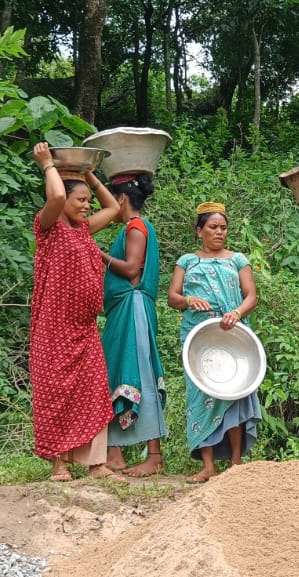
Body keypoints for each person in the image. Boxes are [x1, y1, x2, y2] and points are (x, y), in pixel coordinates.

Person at [28, 142, 127, 483]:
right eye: (80, 200)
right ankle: (59, 465)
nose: (87, 206)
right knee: (56, 393)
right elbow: (55, 198)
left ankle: (96, 464)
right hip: (54, 329)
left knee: (95, 391)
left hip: (84, 329)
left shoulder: (84, 229)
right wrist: (47, 164)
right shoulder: (48, 228)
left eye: (87, 201)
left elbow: (114, 207)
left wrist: (88, 176)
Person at [167, 202, 261, 483]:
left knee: (233, 394)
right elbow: (172, 297)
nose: (219, 232)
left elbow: (251, 296)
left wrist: (237, 313)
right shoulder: (187, 261)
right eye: (212, 227)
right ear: (199, 231)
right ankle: (207, 465)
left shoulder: (237, 260)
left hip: (233, 334)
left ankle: (235, 463)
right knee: (201, 396)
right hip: (198, 336)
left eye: (223, 227)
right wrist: (187, 300)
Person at [100, 173, 168, 478]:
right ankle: (114, 452)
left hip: (134, 308)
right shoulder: (129, 228)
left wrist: (97, 254)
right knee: (115, 375)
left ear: (122, 199)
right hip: (123, 310)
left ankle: (154, 456)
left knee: (140, 374)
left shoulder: (137, 227)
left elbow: (130, 269)